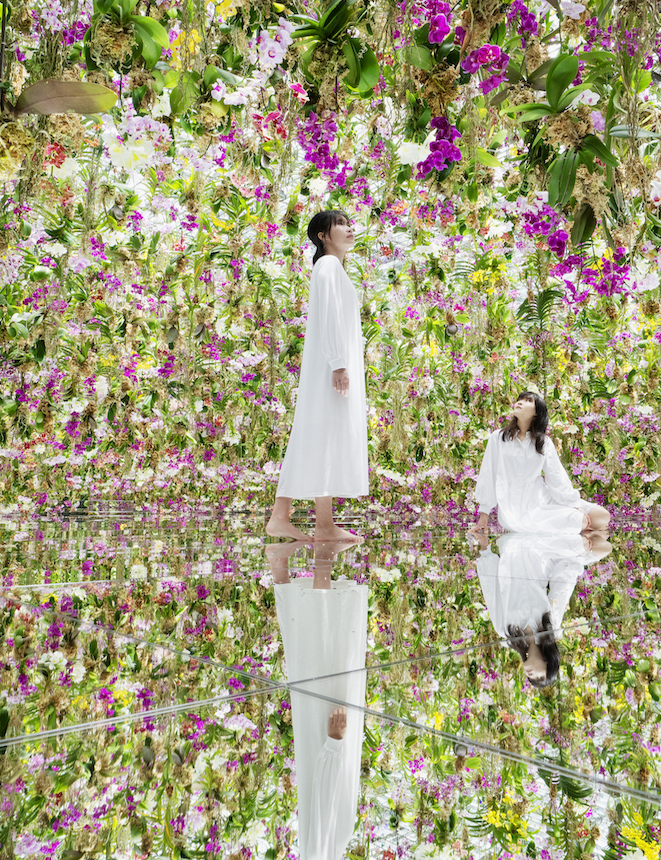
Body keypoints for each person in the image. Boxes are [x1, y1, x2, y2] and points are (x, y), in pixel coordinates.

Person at [268, 210, 369, 543]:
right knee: (317, 435)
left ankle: (319, 522)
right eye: (340, 224)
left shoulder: (334, 269)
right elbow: (328, 316)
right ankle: (285, 517)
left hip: (332, 366)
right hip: (331, 368)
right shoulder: (327, 267)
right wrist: (338, 363)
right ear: (323, 235)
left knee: (322, 437)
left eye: (348, 222)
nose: (349, 228)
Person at [269, 540, 368, 860]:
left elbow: (324, 807)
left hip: (328, 739)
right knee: (311, 653)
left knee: (324, 652)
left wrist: (334, 744)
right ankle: (280, 564)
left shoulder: (323, 855)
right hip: (329, 743)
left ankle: (322, 555)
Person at [476, 530, 612, 687]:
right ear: (548, 663)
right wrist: (580, 554)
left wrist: (485, 549)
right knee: (602, 543)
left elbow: (492, 593)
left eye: (531, 680)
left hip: (510, 549)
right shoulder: (550, 627)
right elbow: (561, 588)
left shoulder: (507, 633)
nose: (532, 676)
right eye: (540, 677)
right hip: (538, 551)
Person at [468, 392, 611, 536]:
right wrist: (484, 514)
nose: (520, 402)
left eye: (527, 400)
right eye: (519, 399)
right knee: (579, 520)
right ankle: (572, 532)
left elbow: (556, 477)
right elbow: (489, 473)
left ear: (537, 412)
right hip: (515, 511)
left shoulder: (543, 442)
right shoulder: (498, 438)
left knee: (602, 516)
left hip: (543, 501)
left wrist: (575, 504)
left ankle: (573, 525)